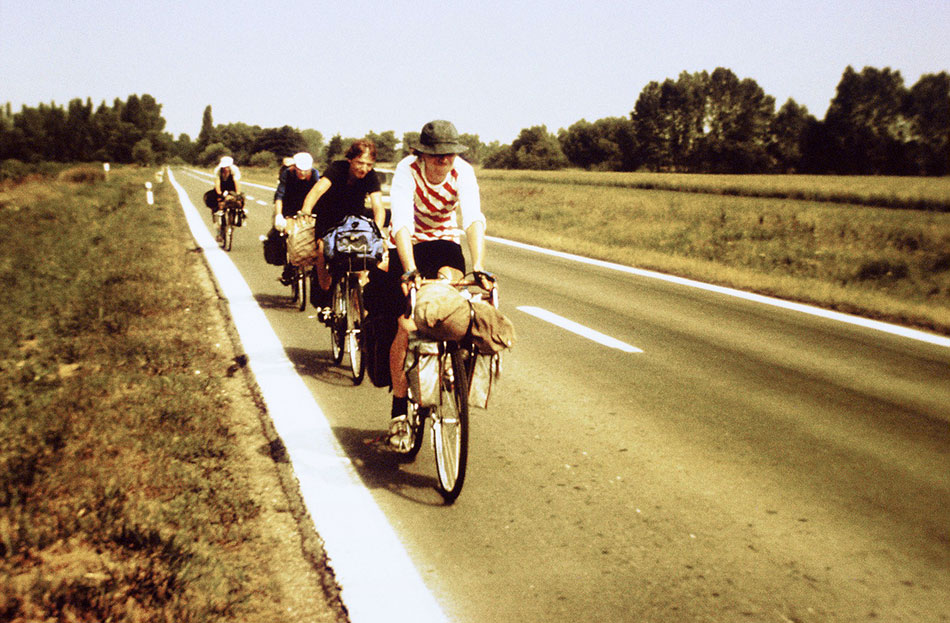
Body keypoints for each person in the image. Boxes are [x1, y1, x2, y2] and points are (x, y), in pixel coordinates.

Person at [379, 120, 488, 450]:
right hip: (409, 242)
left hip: (443, 242)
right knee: (407, 322)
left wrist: (479, 264)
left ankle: (451, 367)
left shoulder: (462, 172)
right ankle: (399, 411)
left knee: (454, 302)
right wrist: (410, 269)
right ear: (421, 154)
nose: (444, 161)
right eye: (437, 155)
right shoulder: (406, 170)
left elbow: (471, 218)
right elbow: (400, 221)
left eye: (450, 155)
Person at [299, 139, 386, 309]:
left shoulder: (371, 176)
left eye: (369, 164)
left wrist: (377, 229)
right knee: (323, 248)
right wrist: (306, 210)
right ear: (350, 159)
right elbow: (318, 189)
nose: (364, 168)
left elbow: (378, 206)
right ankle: (325, 291)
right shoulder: (337, 168)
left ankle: (358, 295)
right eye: (360, 163)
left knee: (364, 253)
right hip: (329, 217)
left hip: (354, 220)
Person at [273, 152, 320, 284]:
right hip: (290, 206)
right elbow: (279, 196)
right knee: (288, 234)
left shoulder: (315, 174)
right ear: (294, 167)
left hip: (309, 207)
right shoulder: (287, 174)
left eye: (306, 171)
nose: (303, 174)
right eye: (300, 170)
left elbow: (319, 194)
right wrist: (278, 215)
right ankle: (289, 266)